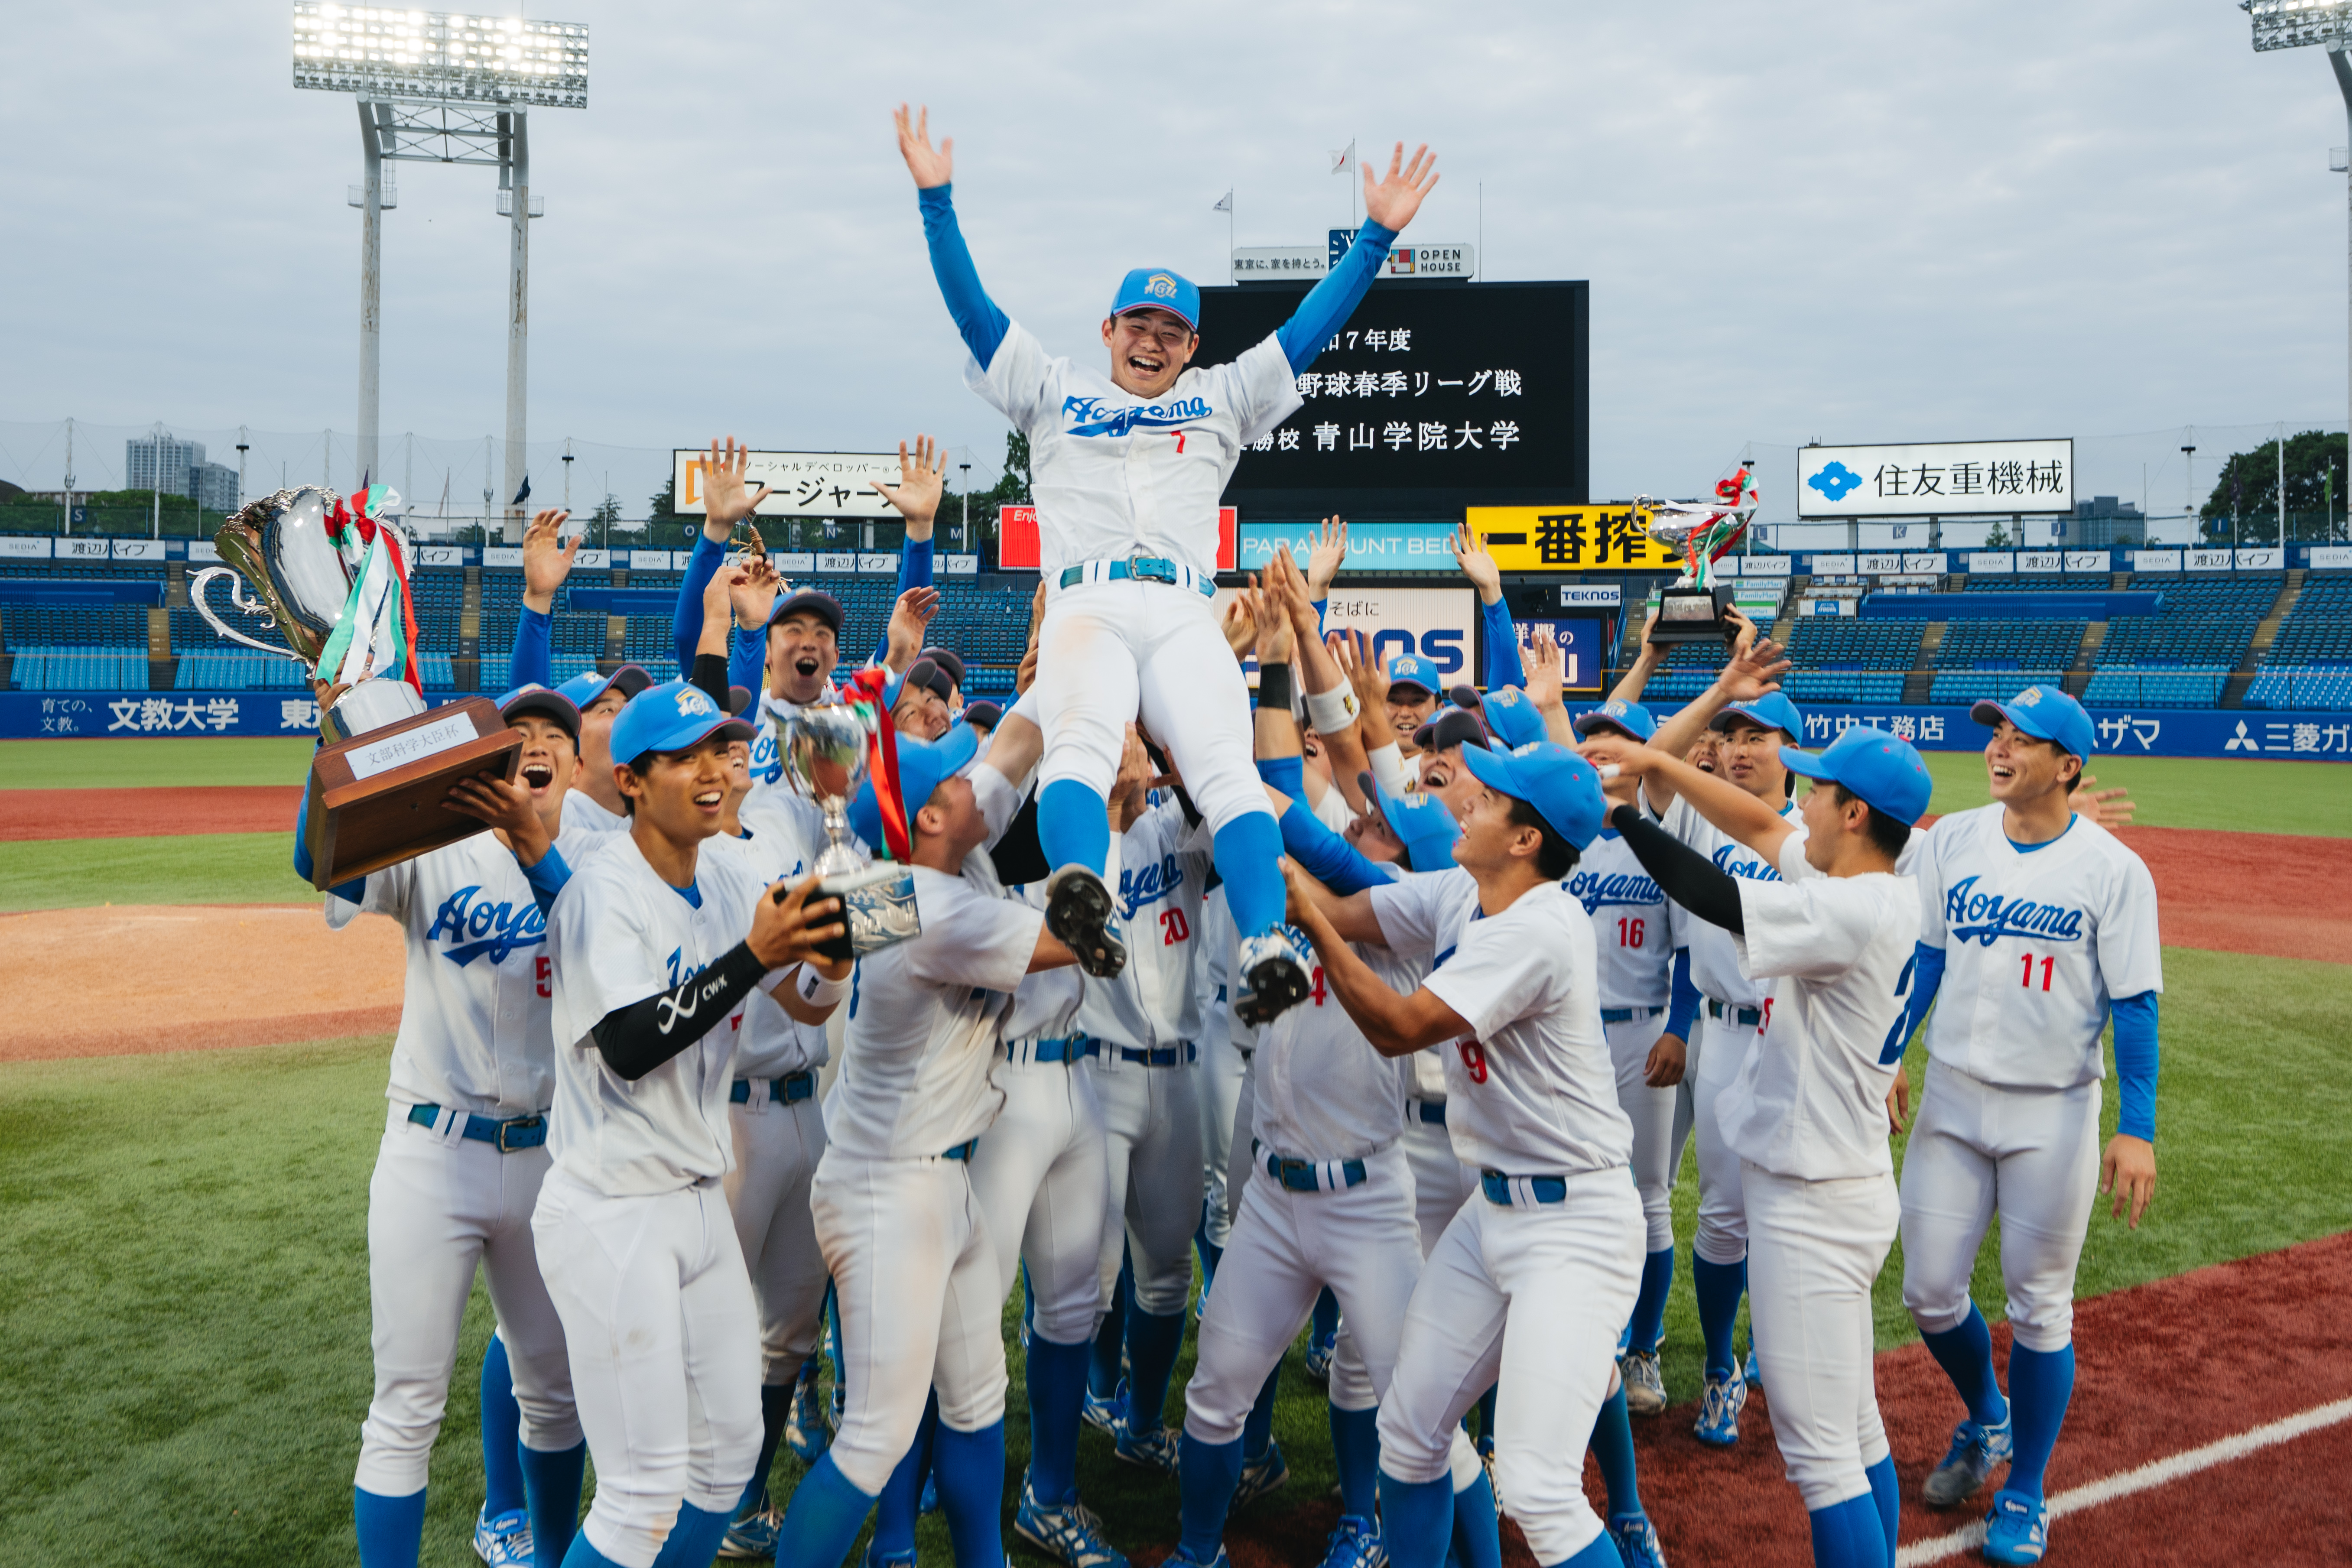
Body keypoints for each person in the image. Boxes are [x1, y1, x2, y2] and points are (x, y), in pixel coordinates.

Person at [895, 103, 1438, 1022]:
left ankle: (1265, 941)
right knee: (1080, 742)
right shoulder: (1051, 387)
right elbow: (972, 313)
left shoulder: (1221, 396)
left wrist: (1375, 239)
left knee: (1228, 771)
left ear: (1192, 345)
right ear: (1107, 328)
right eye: (1138, 323)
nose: (1152, 341)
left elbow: (1306, 330)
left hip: (1187, 610)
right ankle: (1082, 888)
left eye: (1172, 330)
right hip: (1089, 603)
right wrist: (937, 204)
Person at [1281, 740, 1645, 1568]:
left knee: (1540, 1487)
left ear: (1525, 840)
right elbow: (1345, 911)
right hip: (1496, 1210)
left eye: (1494, 795)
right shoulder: (1464, 891)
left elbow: (1399, 1027)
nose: (1471, 796)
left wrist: (1310, 918)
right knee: (1409, 1433)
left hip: (1577, 1224)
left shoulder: (1541, 927)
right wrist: (1275, 852)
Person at [1585, 723, 1934, 1568]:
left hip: (1813, 1199)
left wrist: (1625, 816)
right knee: (1855, 1430)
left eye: (1819, 790)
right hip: (1840, 1180)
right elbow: (1756, 823)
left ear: (1854, 814)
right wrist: (1659, 765)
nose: (1801, 802)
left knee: (1820, 1458)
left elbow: (1713, 894)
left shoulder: (1848, 907)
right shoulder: (1868, 884)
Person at [533, 680, 850, 1568]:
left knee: (725, 1461)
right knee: (639, 1495)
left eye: (719, 749)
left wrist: (832, 956)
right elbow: (630, 1044)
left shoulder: (728, 873)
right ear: (632, 781)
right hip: (613, 1207)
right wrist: (753, 955)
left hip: (701, 1196)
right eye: (683, 757)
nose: (712, 771)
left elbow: (808, 1001)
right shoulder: (601, 892)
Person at [772, 723, 1085, 1568]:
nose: (971, 780)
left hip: (939, 1178)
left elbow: (1010, 753)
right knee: (876, 1433)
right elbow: (1077, 943)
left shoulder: (920, 879)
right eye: (952, 781)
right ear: (927, 818)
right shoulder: (928, 906)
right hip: (889, 1188)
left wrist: (1063, 677)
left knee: (978, 1400)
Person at [304, 682, 594, 1568]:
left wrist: (537, 851)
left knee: (556, 1394)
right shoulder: (434, 847)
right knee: (404, 1407)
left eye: (556, 733)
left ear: (579, 763)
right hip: (433, 1151)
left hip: (549, 1158)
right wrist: (335, 740)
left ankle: (550, 1555)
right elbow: (320, 861)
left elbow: (602, 957)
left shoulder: (604, 859)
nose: (538, 743)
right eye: (521, 730)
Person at [1897, 686, 2161, 1566]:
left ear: (2068, 765)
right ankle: (1987, 1414)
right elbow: (1926, 957)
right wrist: (1889, 1054)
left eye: (2023, 738)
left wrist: (2136, 1127)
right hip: (1953, 1097)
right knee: (1928, 1291)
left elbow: (2136, 1005)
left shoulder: (2113, 870)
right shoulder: (1952, 840)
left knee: (2041, 1306)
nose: (2000, 747)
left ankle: (2025, 1488)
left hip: (2053, 1109)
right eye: (1998, 732)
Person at [1631, 616, 1804, 1446]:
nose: (1737, 750)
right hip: (1713, 1029)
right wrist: (1717, 695)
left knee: (1780, 1212)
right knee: (1721, 1218)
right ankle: (1718, 1369)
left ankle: (1774, 1347)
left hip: (1785, 1037)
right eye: (1729, 736)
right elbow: (1646, 775)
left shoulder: (1815, 836)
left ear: (1791, 752)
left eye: (1756, 736)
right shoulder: (1702, 816)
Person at [1568, 697, 1699, 1420]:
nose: (1602, 745)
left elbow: (1689, 948)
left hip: (1641, 1031)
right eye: (1593, 734)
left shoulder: (1662, 837)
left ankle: (1642, 1345)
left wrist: (1677, 1029)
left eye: (1618, 737)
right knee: (1577, 1189)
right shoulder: (1561, 831)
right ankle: (1587, 1333)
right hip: (1568, 1038)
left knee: (1647, 1195)